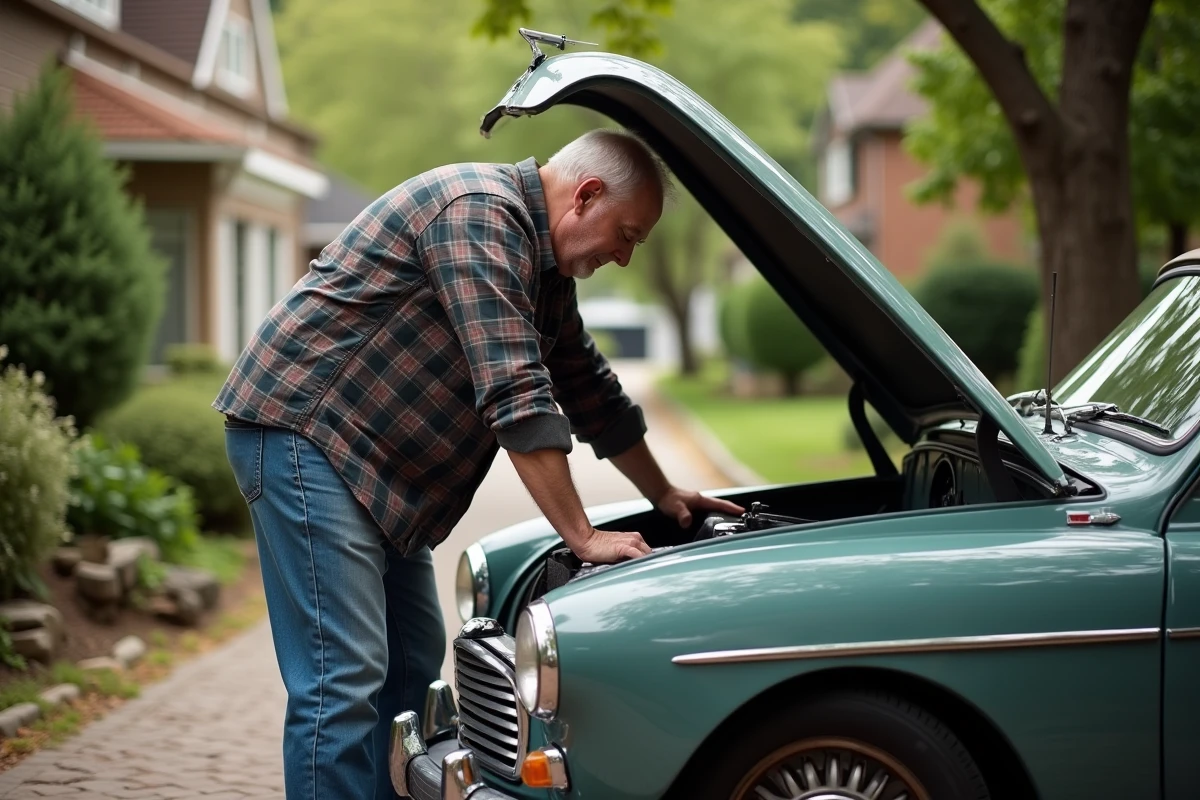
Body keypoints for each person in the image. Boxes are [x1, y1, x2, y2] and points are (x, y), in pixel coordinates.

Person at [213, 128, 744, 799]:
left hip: (374, 469)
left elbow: (589, 391)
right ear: (585, 196)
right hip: (306, 435)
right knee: (342, 678)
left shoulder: (544, 271)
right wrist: (583, 536)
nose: (624, 256)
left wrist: (665, 495)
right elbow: (516, 392)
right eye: (627, 233)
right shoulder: (478, 214)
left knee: (412, 664)